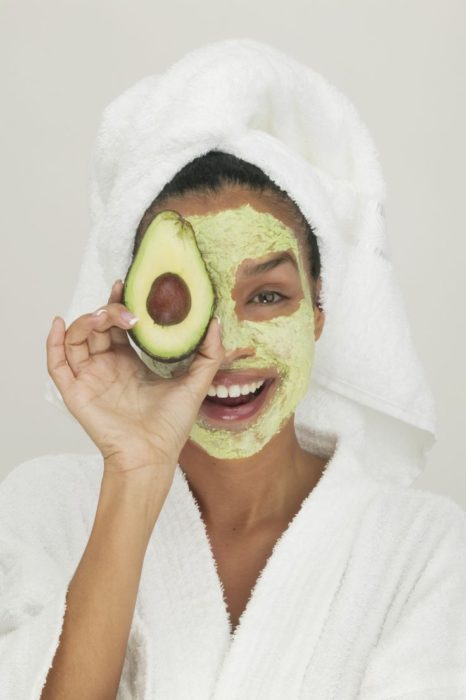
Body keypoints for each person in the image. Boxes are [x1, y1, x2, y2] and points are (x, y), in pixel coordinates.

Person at [1, 39, 465, 700]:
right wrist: (135, 475)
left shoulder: (426, 549)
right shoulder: (45, 508)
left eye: (268, 296)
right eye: (183, 299)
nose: (226, 345)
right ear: (133, 310)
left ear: (320, 315)